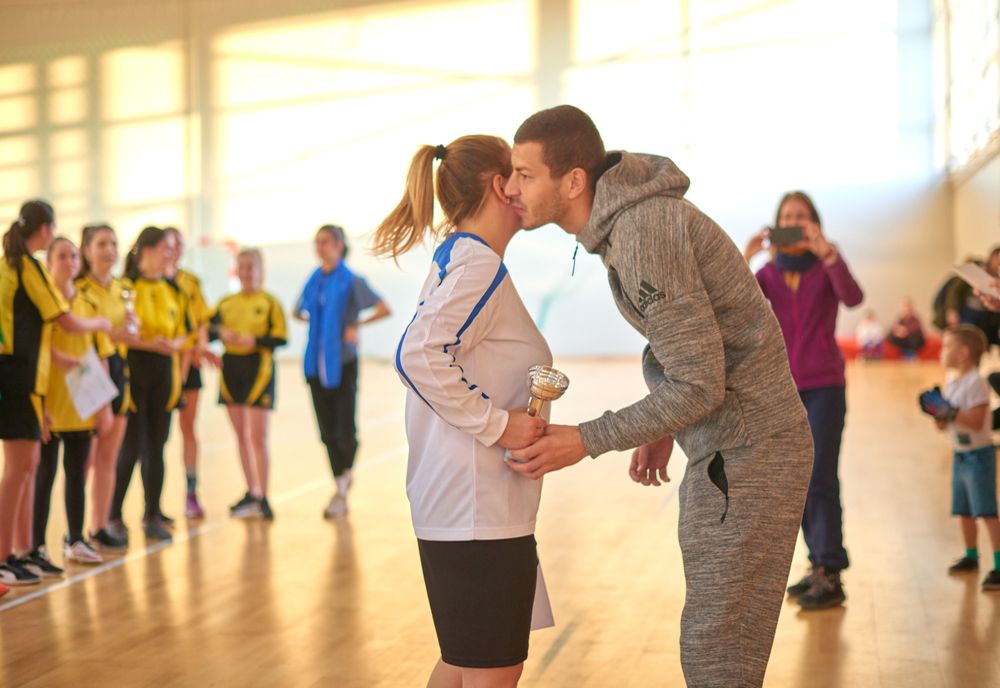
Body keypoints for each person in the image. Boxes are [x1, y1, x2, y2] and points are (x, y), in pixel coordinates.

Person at [503, 106, 813, 687]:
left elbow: (700, 381)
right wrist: (660, 425)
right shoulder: (631, 226)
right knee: (713, 639)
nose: (511, 187)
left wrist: (586, 439)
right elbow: (694, 351)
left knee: (719, 654)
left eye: (525, 174)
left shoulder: (644, 232)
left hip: (751, 452)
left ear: (573, 182)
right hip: (730, 446)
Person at [374, 136, 551, 688]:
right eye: (519, 175)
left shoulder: (465, 256)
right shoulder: (476, 263)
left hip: (471, 505)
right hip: (473, 508)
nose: (525, 186)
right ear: (501, 186)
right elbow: (418, 353)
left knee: (475, 665)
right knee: (487, 670)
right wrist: (499, 424)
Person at [0, 200, 111, 587]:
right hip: (17, 378)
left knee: (26, 467)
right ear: (46, 231)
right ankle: (4, 557)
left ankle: (20, 551)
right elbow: (62, 319)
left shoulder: (17, 265)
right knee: (21, 470)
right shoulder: (26, 266)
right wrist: (101, 322)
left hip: (26, 380)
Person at [30, 237, 118, 570]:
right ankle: (36, 545)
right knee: (44, 475)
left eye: (73, 256)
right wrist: (59, 359)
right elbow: (38, 346)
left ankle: (76, 538)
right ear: (50, 262)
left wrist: (104, 404)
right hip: (51, 403)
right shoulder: (45, 304)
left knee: (77, 474)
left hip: (82, 403)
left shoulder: (88, 303)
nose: (69, 262)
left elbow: (102, 354)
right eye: (61, 256)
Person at [294, 224, 390, 519]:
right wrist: (318, 324)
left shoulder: (350, 280)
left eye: (324, 242)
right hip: (315, 364)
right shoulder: (314, 280)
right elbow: (297, 310)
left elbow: (383, 308)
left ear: (338, 244)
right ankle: (341, 487)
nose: (319, 247)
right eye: (317, 242)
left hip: (343, 363)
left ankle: (344, 479)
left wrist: (354, 325)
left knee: (344, 430)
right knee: (326, 432)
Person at [108, 226, 189, 543]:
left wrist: (174, 343)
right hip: (134, 373)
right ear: (147, 251)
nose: (171, 254)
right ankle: (113, 515)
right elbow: (123, 332)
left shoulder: (173, 289)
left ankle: (152, 514)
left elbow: (186, 329)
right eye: (165, 248)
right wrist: (154, 344)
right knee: (131, 446)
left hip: (164, 377)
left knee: (157, 446)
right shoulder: (127, 288)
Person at [918, 325, 1000, 590]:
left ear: (963, 353)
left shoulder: (977, 382)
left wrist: (950, 411)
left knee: (986, 510)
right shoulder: (952, 381)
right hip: (960, 455)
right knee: (964, 510)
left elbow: (976, 422)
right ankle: (971, 556)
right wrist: (937, 414)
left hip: (979, 456)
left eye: (946, 346)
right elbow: (945, 424)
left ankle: (998, 566)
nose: (941, 352)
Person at [210, 248, 287, 520]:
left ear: (260, 270)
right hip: (231, 369)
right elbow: (207, 330)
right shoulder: (225, 303)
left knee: (257, 436)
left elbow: (280, 339)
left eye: (251, 267)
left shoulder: (270, 303)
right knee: (240, 435)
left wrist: (254, 341)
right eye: (242, 267)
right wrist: (221, 332)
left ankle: (264, 495)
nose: (246, 272)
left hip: (259, 370)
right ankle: (251, 490)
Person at [76, 223, 137, 550]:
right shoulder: (79, 290)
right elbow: (81, 337)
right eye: (101, 244)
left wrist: (131, 329)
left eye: (113, 243)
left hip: (119, 371)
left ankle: (99, 526)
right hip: (88, 374)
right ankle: (76, 529)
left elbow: (129, 330)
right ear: (86, 250)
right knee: (86, 457)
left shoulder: (123, 288)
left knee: (108, 457)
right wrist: (114, 335)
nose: (109, 250)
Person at [164, 226, 212, 519]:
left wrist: (199, 348)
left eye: (180, 243)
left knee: (188, 428)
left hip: (188, 365)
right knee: (157, 435)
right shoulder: (149, 283)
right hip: (160, 366)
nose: (175, 249)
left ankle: (191, 493)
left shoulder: (191, 282)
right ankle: (152, 504)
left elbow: (202, 322)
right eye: (170, 244)